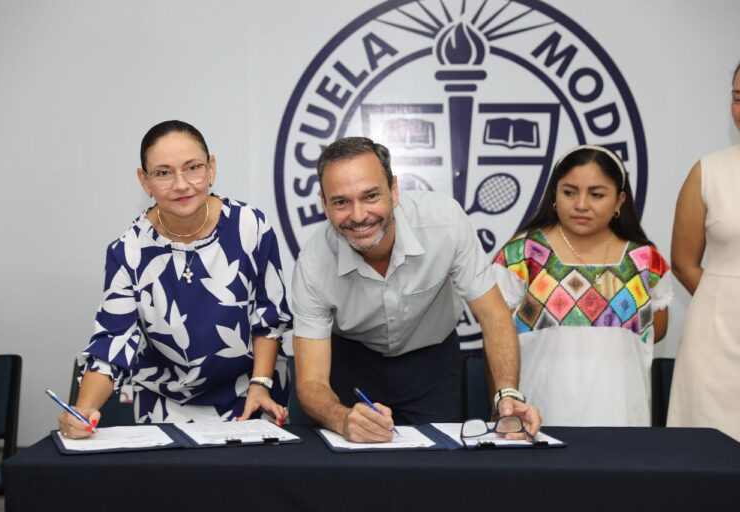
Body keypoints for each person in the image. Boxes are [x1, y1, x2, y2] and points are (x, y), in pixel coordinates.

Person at [291, 136, 541, 443]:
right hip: (352, 364)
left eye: (371, 196)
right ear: (324, 205)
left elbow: (494, 314)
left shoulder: (445, 222)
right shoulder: (313, 263)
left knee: (437, 465)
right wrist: (341, 418)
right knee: (354, 468)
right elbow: (312, 382)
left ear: (394, 190)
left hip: (432, 363)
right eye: (341, 202)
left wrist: (508, 393)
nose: (358, 216)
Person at [58, 120, 292, 438]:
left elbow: (269, 320)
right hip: (164, 407)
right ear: (144, 180)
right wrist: (83, 410)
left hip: (252, 397)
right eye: (163, 173)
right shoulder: (128, 251)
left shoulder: (250, 226)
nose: (181, 185)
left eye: (193, 168)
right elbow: (114, 341)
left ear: (211, 168)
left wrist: (260, 384)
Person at [491, 144, 672, 426]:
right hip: (538, 419)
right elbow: (496, 335)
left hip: (623, 419)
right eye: (569, 192)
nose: (581, 205)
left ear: (619, 200)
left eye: (597, 194)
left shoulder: (646, 261)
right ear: (555, 193)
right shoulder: (521, 254)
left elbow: (657, 330)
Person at [668, 62, 740, 441]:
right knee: (709, 455)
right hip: (715, 342)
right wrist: (723, 299)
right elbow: (683, 262)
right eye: (738, 98)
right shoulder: (708, 170)